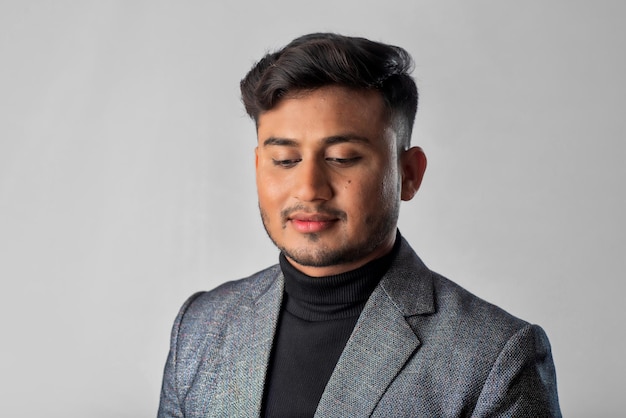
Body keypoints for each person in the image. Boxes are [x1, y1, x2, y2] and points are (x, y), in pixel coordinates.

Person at [157, 33, 561, 417]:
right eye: (285, 160)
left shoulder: (496, 359)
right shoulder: (199, 326)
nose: (310, 188)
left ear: (409, 173)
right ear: (259, 166)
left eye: (343, 157)